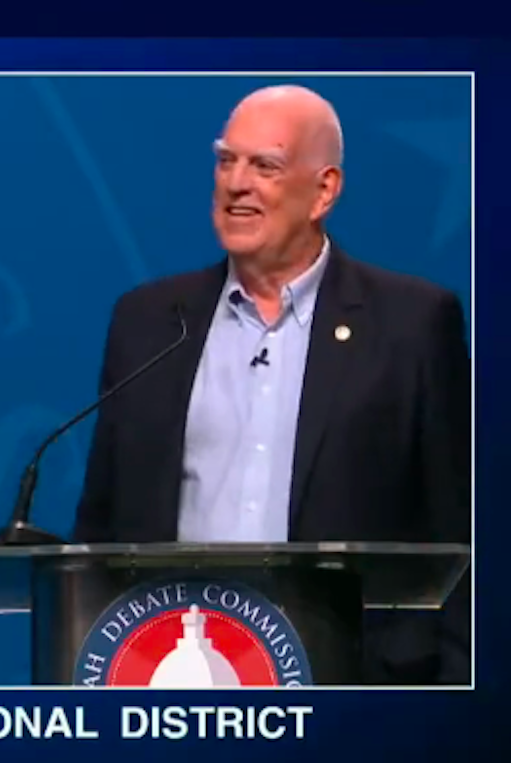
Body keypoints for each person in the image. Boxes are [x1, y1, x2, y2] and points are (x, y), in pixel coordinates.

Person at [72, 85, 471, 685]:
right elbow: (101, 526)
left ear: (324, 190)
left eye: (265, 166)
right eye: (226, 160)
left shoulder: (412, 324)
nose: (236, 183)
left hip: (352, 685)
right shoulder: (149, 321)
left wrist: (459, 705)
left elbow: (458, 534)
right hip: (175, 677)